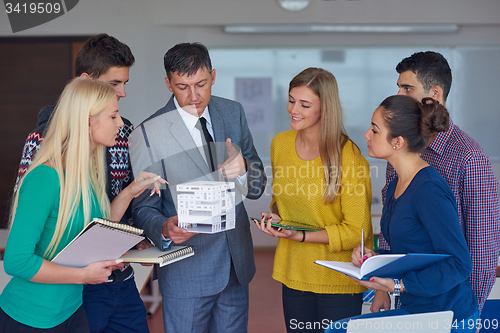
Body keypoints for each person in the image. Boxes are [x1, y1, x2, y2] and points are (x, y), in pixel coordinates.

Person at [0, 78, 165, 332]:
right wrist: (83, 275)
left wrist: (132, 190)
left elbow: (96, 226)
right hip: (31, 317)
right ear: (88, 121)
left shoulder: (86, 173)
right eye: (113, 116)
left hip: (72, 311)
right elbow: (16, 261)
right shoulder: (44, 178)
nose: (121, 124)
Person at [129, 42, 266, 333]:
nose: (193, 96)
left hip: (235, 267)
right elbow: (142, 208)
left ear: (213, 76)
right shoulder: (147, 133)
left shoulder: (233, 112)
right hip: (185, 270)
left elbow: (256, 184)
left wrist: (243, 171)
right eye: (182, 87)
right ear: (168, 84)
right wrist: (165, 227)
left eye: (201, 84)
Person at [327, 95, 478, 333]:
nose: (366, 135)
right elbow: (412, 249)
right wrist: (374, 258)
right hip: (419, 311)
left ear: (397, 142)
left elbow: (459, 263)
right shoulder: (398, 181)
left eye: (375, 130)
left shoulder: (429, 190)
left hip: (448, 316)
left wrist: (399, 285)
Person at [377, 51, 500, 314]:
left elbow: (483, 248)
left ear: (434, 93)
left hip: (451, 306)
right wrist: (383, 287)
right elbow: (392, 226)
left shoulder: (469, 157)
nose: (399, 95)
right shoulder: (399, 149)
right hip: (408, 297)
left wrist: (469, 312)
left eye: (407, 88)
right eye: (398, 86)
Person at [253, 67, 372, 333]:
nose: (294, 110)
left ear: (325, 109)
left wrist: (301, 236)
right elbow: (280, 201)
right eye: (291, 100)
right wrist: (278, 220)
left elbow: (357, 232)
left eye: (305, 104)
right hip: (294, 275)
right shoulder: (280, 144)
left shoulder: (348, 157)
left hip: (337, 279)